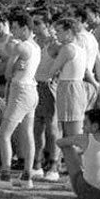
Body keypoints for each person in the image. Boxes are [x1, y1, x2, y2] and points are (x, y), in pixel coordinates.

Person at [0, 10, 40, 188]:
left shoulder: (20, 46)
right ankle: (26, 176)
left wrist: (11, 63)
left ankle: (5, 176)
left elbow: (7, 73)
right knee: (27, 134)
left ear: (24, 28)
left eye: (14, 27)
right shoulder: (35, 47)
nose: (12, 31)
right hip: (31, 90)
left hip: (20, 90)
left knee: (3, 134)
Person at [57, 109, 100, 199]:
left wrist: (78, 151)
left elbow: (59, 142)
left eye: (85, 123)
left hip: (88, 193)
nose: (83, 127)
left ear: (95, 126)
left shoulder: (85, 138)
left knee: (67, 148)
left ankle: (72, 182)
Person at [48, 18, 97, 138]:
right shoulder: (80, 48)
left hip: (69, 89)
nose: (56, 34)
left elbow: (51, 71)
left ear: (68, 32)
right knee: (71, 130)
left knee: (71, 133)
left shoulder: (67, 49)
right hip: (76, 88)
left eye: (59, 31)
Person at [31, 11, 62, 181]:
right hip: (35, 86)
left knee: (52, 128)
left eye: (37, 23)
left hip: (49, 87)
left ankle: (54, 164)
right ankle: (37, 162)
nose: (33, 27)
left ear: (47, 25)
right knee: (37, 127)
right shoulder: (33, 43)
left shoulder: (56, 45)